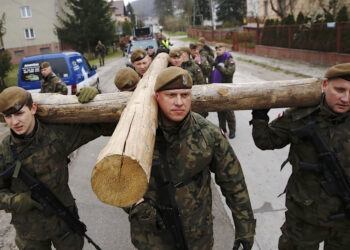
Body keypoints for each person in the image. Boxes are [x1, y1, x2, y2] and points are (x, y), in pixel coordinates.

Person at [126, 66, 256, 250]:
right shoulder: (138, 131)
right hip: (153, 238)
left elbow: (234, 184)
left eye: (185, 95)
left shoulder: (208, 134)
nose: (179, 102)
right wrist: (137, 207)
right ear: (157, 96)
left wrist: (245, 230)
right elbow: (114, 176)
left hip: (197, 238)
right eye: (171, 95)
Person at [0, 86, 115, 250]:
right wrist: (16, 201)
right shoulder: (4, 151)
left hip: (64, 222)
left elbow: (104, 126)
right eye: (8, 116)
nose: (14, 122)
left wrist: (96, 99)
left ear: (33, 108)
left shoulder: (57, 135)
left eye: (19, 113)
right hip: (30, 232)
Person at [250, 63, 350, 250]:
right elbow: (266, 141)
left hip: (346, 220)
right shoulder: (301, 116)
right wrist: (259, 116)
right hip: (305, 215)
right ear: (324, 85)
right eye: (340, 90)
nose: (346, 98)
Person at [212, 43, 236, 139]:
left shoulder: (230, 60)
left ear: (225, 49)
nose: (218, 51)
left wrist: (219, 67)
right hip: (218, 88)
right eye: (217, 50)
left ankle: (232, 130)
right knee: (220, 111)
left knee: (229, 111)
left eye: (220, 49)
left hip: (227, 89)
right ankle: (223, 129)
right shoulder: (217, 59)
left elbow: (229, 73)